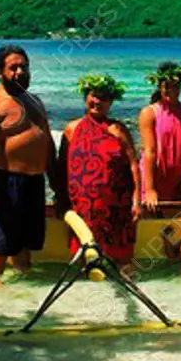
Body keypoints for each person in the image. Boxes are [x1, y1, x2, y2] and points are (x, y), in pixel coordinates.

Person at [0, 44, 66, 286]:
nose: (20, 72)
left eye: (24, 66)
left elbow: (47, 145)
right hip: (4, 182)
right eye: (13, 68)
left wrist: (56, 185)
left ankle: (21, 297)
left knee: (24, 245)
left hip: (33, 183)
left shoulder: (34, 101)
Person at [58, 73, 145, 270]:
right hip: (83, 206)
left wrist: (136, 200)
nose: (97, 102)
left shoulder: (118, 129)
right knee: (86, 253)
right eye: (93, 96)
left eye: (104, 98)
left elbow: (133, 165)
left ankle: (125, 287)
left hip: (116, 205)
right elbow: (61, 167)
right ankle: (91, 296)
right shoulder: (72, 129)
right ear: (85, 97)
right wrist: (62, 201)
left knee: (122, 258)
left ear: (111, 102)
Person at [138, 61, 181, 204]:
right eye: (167, 86)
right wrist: (149, 189)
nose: (171, 91)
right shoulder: (149, 113)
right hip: (154, 179)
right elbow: (149, 152)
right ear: (159, 86)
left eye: (176, 86)